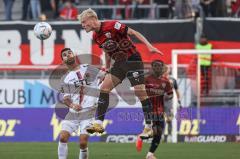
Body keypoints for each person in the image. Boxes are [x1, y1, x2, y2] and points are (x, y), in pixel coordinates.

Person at [77, 8, 163, 137]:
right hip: (119, 64)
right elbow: (107, 51)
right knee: (104, 88)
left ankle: (148, 127)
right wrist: (106, 68)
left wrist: (149, 46)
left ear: (92, 19)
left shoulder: (112, 25)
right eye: (81, 23)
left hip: (132, 59)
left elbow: (134, 32)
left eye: (84, 22)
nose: (83, 25)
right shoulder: (96, 36)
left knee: (140, 93)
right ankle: (98, 123)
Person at [58, 48, 105, 159]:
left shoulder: (88, 68)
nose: (68, 55)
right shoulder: (66, 78)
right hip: (73, 113)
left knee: (83, 143)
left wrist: (104, 80)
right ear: (63, 61)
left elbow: (104, 76)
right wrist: (73, 105)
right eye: (64, 55)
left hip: (88, 113)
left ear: (74, 55)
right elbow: (66, 99)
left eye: (69, 53)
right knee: (63, 138)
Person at [137, 60, 173, 159]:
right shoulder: (146, 79)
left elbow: (170, 95)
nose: (158, 68)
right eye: (155, 66)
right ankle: (142, 138)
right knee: (153, 131)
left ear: (162, 68)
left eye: (159, 66)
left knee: (158, 134)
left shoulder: (166, 81)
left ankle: (150, 154)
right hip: (149, 110)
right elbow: (138, 91)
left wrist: (167, 97)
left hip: (160, 111)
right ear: (152, 67)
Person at [163, 65, 181, 142]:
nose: (168, 70)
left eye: (168, 69)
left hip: (169, 102)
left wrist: (179, 101)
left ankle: (169, 135)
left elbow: (177, 91)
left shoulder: (172, 80)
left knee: (169, 119)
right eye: (167, 69)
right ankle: (162, 136)